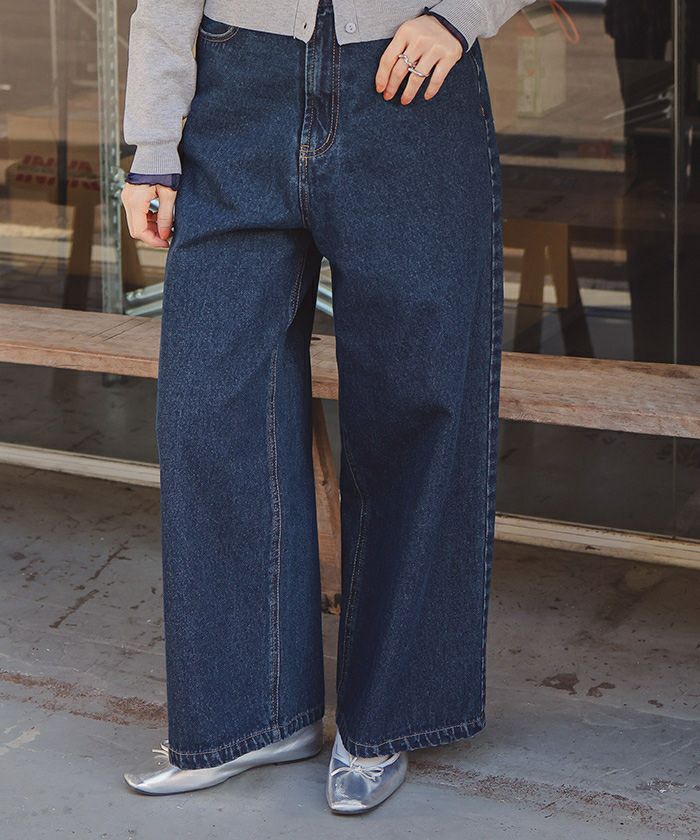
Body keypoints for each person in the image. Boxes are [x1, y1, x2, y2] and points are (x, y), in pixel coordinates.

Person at [121, 0, 534, 814]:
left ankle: (384, 721)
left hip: (407, 87)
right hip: (236, 87)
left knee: (414, 406)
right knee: (209, 407)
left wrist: (459, 15)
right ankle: (251, 715)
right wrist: (152, 145)